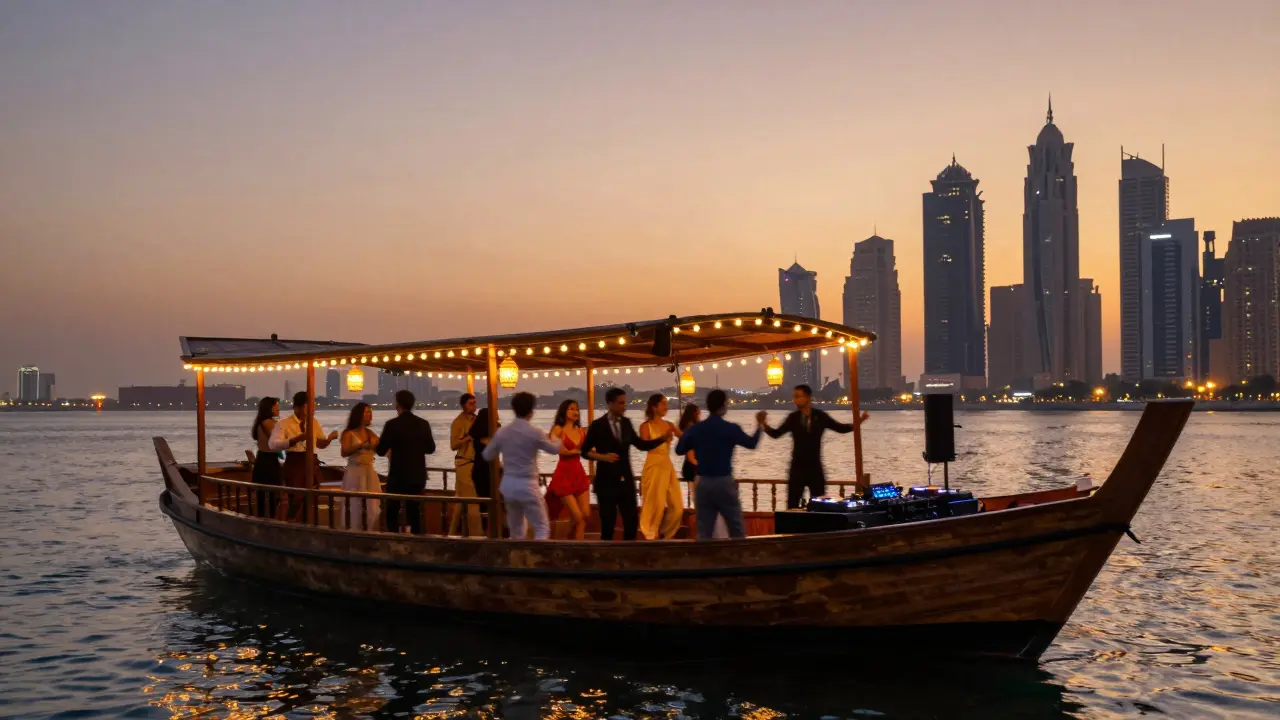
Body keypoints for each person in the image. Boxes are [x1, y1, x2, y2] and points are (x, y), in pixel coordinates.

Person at [580, 387, 668, 541]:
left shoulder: (627, 423)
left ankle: (630, 557)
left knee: (631, 521)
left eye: (624, 403)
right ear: (610, 403)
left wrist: (661, 439)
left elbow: (640, 444)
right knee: (608, 524)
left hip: (626, 480)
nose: (624, 406)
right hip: (606, 481)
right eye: (620, 403)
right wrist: (602, 457)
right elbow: (584, 451)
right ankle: (607, 559)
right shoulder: (598, 425)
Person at [674, 388, 763, 539]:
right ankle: (738, 559)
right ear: (724, 406)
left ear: (707, 406)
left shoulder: (696, 429)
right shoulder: (730, 428)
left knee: (704, 531)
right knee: (736, 528)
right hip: (724, 482)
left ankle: (706, 561)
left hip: (703, 482)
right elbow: (751, 443)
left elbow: (679, 449)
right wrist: (760, 425)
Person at [482, 392, 561, 540]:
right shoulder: (534, 432)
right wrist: (556, 438)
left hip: (508, 484)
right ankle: (536, 559)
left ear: (513, 409)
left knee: (516, 529)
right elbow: (554, 450)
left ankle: (517, 559)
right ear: (532, 411)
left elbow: (487, 455)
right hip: (528, 484)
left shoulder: (503, 432)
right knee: (542, 526)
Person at [761, 384, 855, 509]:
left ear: (808, 397)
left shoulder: (820, 416)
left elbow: (840, 428)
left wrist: (857, 423)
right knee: (792, 505)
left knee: (820, 505)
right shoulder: (793, 418)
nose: (795, 400)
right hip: (797, 468)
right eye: (794, 397)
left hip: (815, 468)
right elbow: (777, 434)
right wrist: (764, 425)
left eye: (798, 396)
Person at [268, 391, 338, 522]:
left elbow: (320, 443)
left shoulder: (314, 422)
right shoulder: (284, 424)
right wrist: (295, 439)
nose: (313, 408)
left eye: (314, 405)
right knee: (296, 497)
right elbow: (273, 445)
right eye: (309, 405)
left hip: (311, 462)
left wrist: (330, 439)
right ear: (297, 407)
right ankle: (292, 523)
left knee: (312, 497)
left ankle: (307, 523)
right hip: (295, 463)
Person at [376, 390, 437, 534]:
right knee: (414, 511)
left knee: (392, 510)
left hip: (398, 475)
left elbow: (380, 450)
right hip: (417, 476)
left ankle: (394, 539)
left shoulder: (392, 424)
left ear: (397, 404)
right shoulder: (423, 424)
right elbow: (430, 448)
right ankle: (416, 540)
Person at [677, 403, 727, 538]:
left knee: (701, 501)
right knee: (700, 502)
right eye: (698, 413)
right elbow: (691, 456)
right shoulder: (692, 430)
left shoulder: (691, 430)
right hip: (694, 469)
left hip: (694, 468)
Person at [638, 394, 684, 540]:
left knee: (677, 506)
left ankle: (665, 532)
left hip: (667, 465)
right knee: (654, 503)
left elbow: (685, 438)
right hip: (653, 464)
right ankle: (651, 533)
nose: (666, 407)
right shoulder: (645, 426)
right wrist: (661, 439)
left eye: (666, 404)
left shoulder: (669, 425)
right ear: (654, 407)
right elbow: (644, 446)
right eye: (663, 404)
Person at [544, 399, 591, 539]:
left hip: (578, 472)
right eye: (571, 409)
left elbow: (589, 449)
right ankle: (576, 548)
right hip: (564, 473)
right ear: (564, 411)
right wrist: (578, 451)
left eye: (576, 409)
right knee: (578, 517)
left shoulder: (581, 431)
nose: (575, 412)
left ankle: (563, 540)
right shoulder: (557, 429)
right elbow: (561, 451)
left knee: (586, 514)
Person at [339, 402, 381, 530]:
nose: (369, 415)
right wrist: (360, 445)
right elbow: (344, 452)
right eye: (366, 412)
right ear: (359, 414)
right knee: (354, 502)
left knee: (373, 503)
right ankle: (353, 528)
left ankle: (370, 528)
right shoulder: (348, 433)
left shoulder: (371, 433)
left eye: (370, 412)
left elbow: (382, 447)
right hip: (355, 471)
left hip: (369, 471)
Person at [446, 393, 484, 537]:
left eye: (475, 403)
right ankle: (477, 535)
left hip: (475, 463)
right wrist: (469, 437)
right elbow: (453, 445)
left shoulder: (477, 420)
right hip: (464, 463)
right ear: (463, 405)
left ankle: (451, 533)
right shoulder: (458, 422)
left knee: (460, 501)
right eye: (470, 404)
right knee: (472, 502)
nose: (474, 406)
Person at [250, 396, 282, 519]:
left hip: (261, 459)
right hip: (270, 461)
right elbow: (280, 441)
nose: (278, 408)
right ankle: (273, 520)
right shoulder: (271, 423)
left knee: (261, 496)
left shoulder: (260, 423)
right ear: (270, 407)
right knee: (274, 495)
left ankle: (261, 520)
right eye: (276, 405)